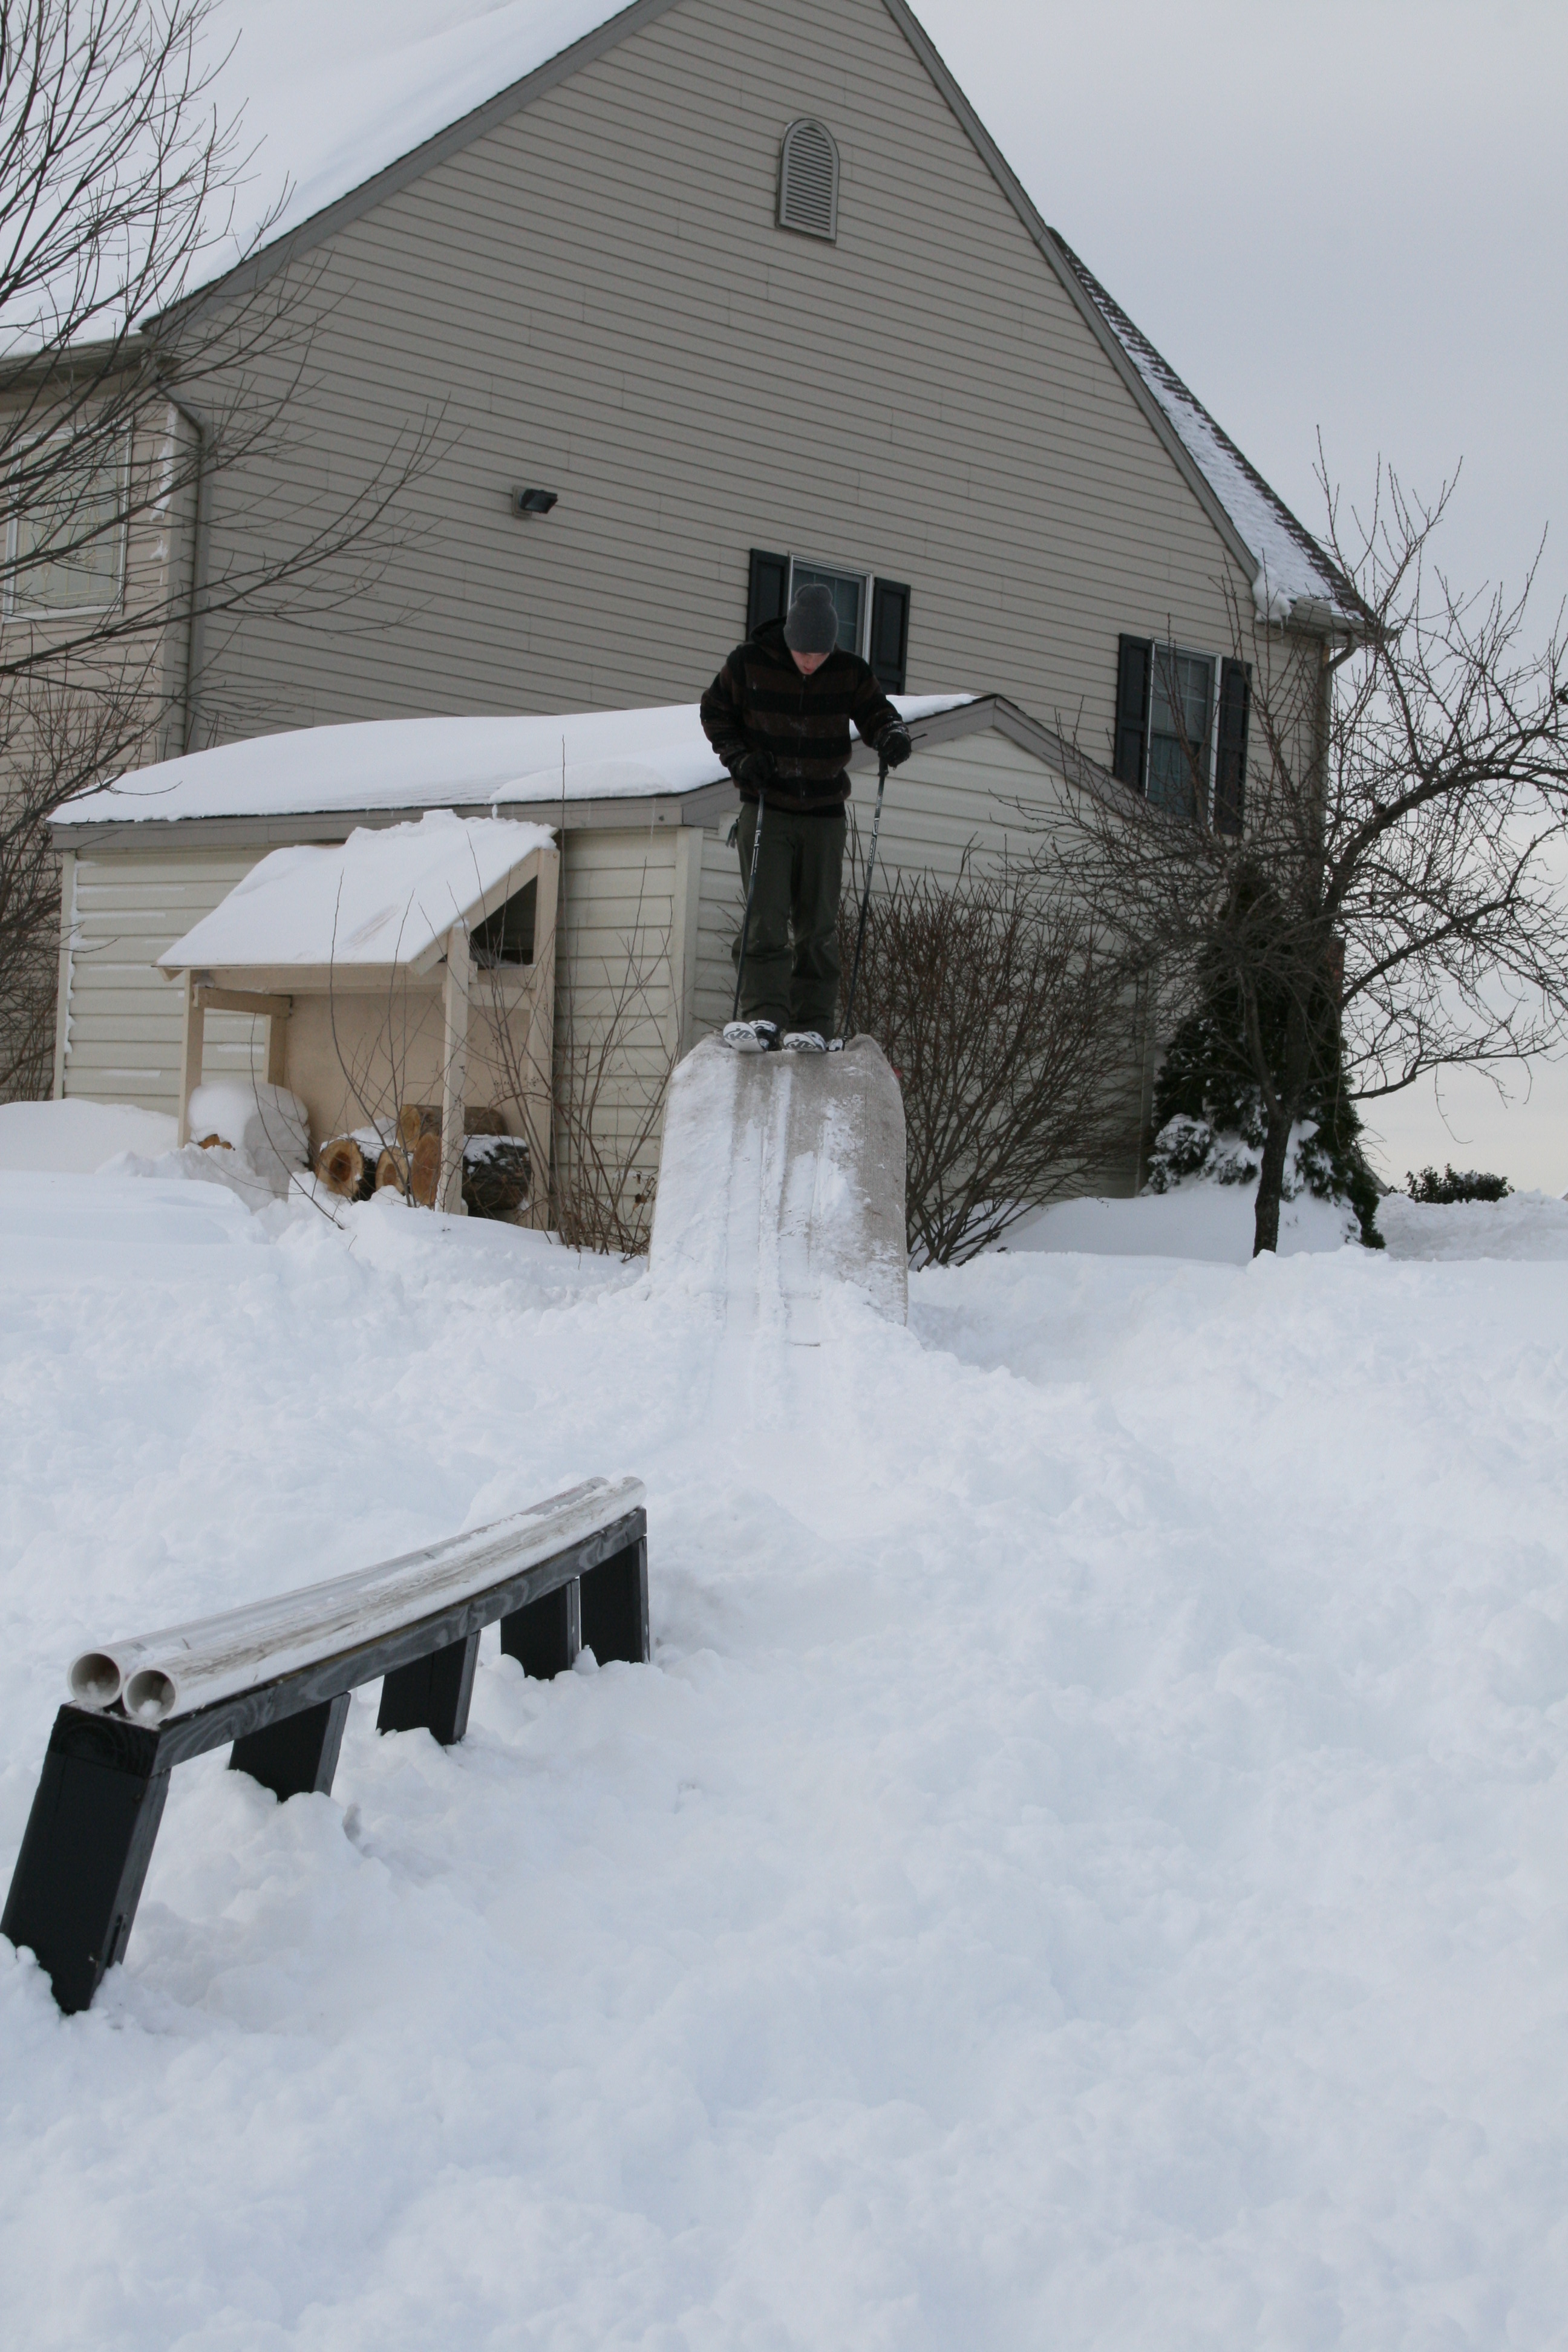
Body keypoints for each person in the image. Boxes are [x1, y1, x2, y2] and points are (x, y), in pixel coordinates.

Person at [700, 580, 911, 1051]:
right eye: (803, 653)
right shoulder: (749, 663)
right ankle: (764, 1017)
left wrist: (892, 735)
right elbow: (715, 711)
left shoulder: (849, 672)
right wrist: (740, 759)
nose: (811, 662)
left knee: (818, 924)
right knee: (765, 919)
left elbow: (878, 713)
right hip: (767, 807)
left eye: (820, 654)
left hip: (824, 815)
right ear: (789, 639)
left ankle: (813, 1024)